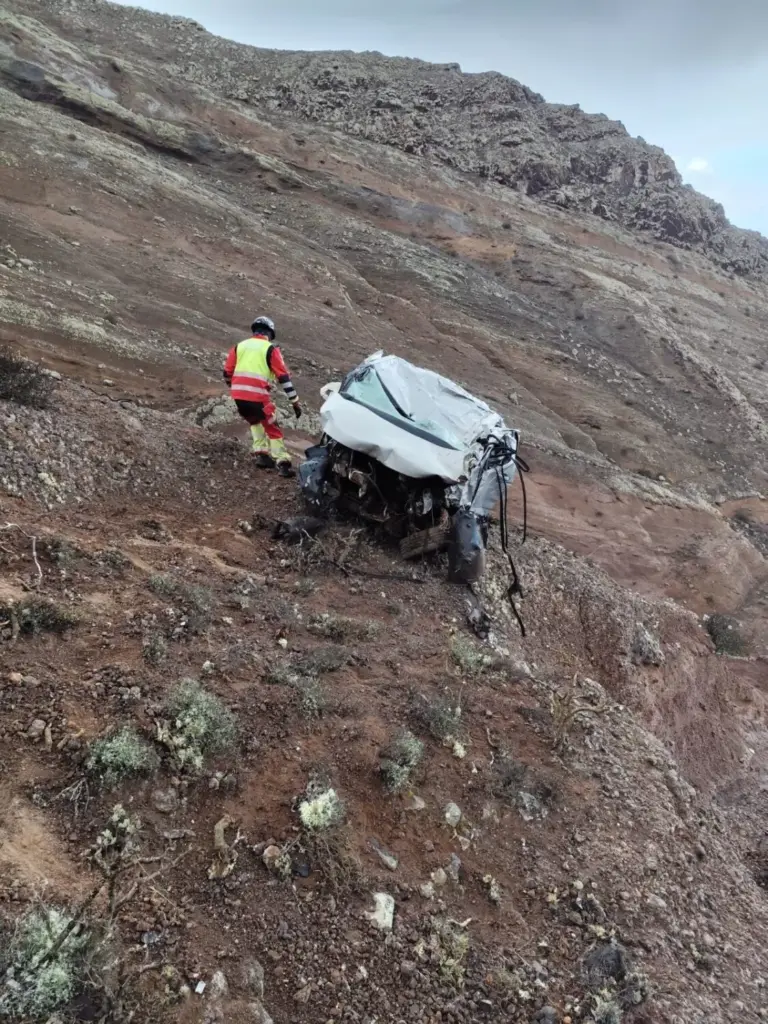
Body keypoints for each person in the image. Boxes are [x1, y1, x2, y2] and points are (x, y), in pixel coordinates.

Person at [223, 316, 302, 477]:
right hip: (258, 396)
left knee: (255, 421)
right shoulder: (270, 349)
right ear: (269, 333)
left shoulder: (239, 346)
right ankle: (283, 463)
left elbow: (227, 372)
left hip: (238, 396)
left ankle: (261, 455)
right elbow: (284, 378)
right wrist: (295, 401)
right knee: (272, 427)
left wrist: (236, 387)